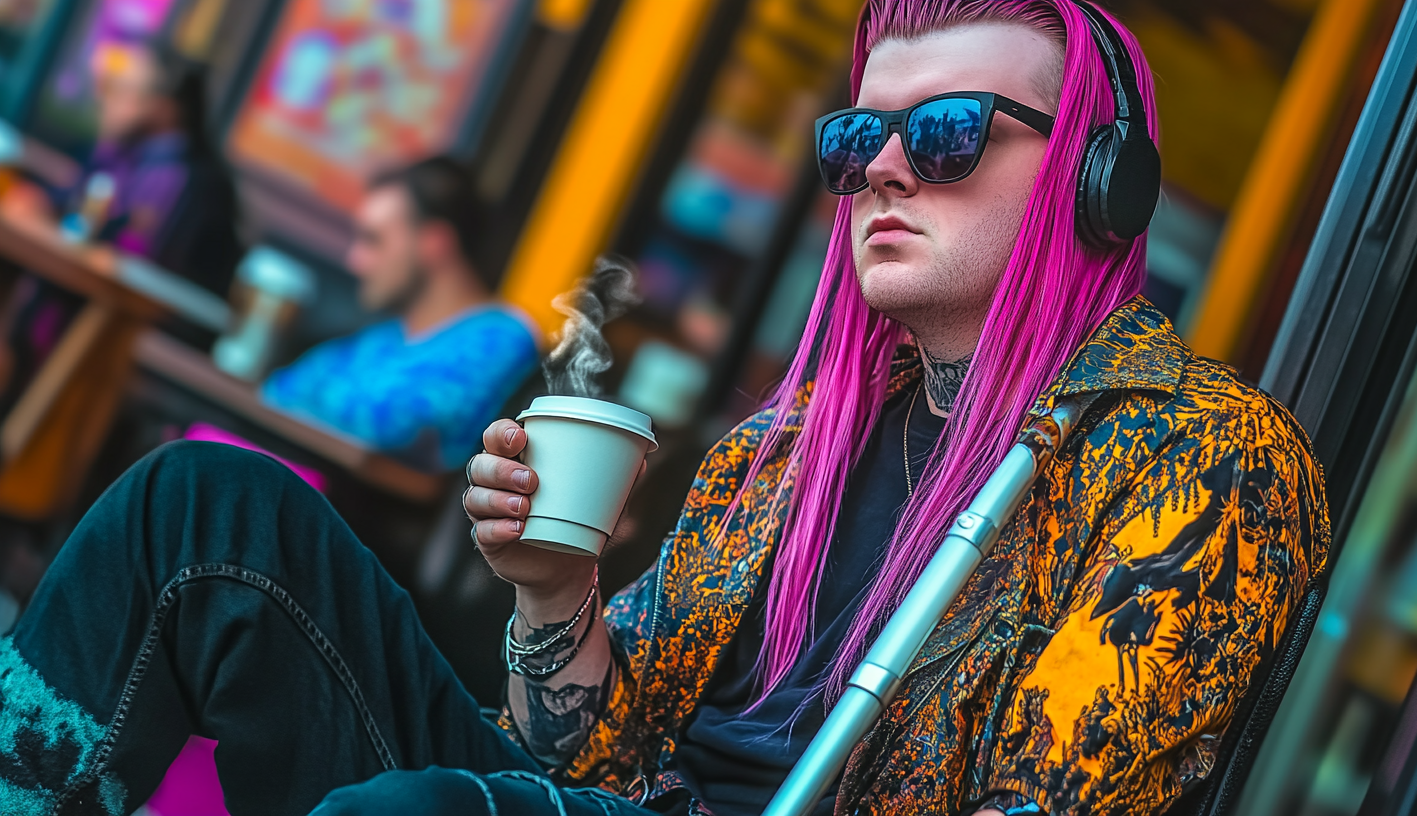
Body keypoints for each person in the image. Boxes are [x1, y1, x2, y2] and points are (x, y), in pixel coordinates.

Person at [0, 2, 1329, 815]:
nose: (879, 174)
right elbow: (575, 755)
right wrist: (552, 596)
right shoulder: (789, 445)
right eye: (854, 140)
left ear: (1101, 184)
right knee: (202, 510)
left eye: (946, 135)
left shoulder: (1202, 459)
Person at [259, 157, 540, 471]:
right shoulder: (387, 336)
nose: (355, 260)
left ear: (434, 242)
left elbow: (398, 426)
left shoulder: (503, 337)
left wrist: (319, 403)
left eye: (373, 240)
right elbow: (279, 390)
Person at [0, 38, 242, 295]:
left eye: (121, 90)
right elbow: (76, 207)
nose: (104, 100)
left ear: (164, 109)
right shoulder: (124, 155)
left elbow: (130, 261)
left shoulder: (180, 179)